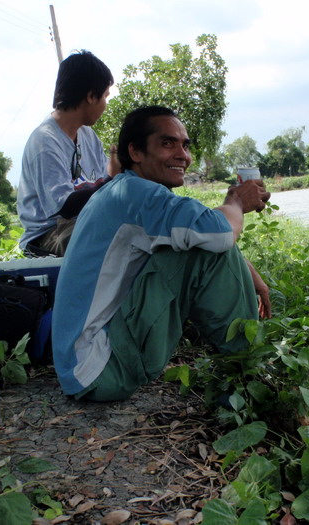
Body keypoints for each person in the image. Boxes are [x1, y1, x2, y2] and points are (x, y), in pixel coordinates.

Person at [52, 106, 272, 402]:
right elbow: (218, 233)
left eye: (185, 145)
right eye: (168, 143)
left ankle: (241, 365)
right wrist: (235, 201)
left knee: (196, 238)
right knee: (204, 241)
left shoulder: (122, 190)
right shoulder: (137, 194)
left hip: (80, 368)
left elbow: (205, 232)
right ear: (136, 152)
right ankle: (246, 376)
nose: (183, 154)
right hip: (99, 370)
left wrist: (251, 274)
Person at [17, 50, 118, 256]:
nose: (105, 105)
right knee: (113, 238)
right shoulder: (45, 141)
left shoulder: (88, 136)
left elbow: (103, 182)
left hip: (83, 222)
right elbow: (65, 207)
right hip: (48, 234)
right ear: (91, 96)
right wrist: (113, 179)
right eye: (105, 96)